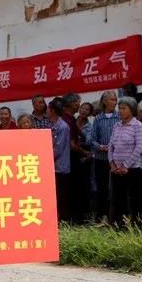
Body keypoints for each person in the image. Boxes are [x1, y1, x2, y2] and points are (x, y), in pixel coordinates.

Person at [108, 97, 142, 224]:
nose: (120, 111)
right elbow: (111, 146)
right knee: (118, 199)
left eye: (124, 108)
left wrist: (125, 165)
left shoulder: (138, 125)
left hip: (132, 169)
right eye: (119, 108)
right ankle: (119, 225)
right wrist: (112, 164)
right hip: (116, 169)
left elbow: (139, 147)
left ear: (132, 109)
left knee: (134, 200)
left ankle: (135, 226)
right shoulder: (116, 125)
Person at [90, 91, 119, 220]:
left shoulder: (119, 117)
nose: (114, 102)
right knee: (102, 187)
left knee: (115, 188)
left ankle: (115, 216)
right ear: (105, 101)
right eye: (112, 99)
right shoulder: (98, 118)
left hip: (116, 159)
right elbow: (92, 139)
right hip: (101, 158)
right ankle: (102, 215)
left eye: (115, 99)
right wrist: (100, 147)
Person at [63, 93, 91, 222]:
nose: (79, 105)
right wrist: (85, 153)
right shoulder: (67, 120)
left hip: (70, 159)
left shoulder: (70, 119)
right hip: (71, 159)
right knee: (76, 189)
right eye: (78, 103)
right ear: (73, 104)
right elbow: (72, 145)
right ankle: (76, 218)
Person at [47, 99, 71, 223]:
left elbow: (58, 148)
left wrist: (45, 158)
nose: (46, 111)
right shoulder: (51, 125)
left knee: (62, 196)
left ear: (52, 111)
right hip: (53, 167)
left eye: (48, 109)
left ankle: (64, 221)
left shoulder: (63, 126)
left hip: (61, 167)